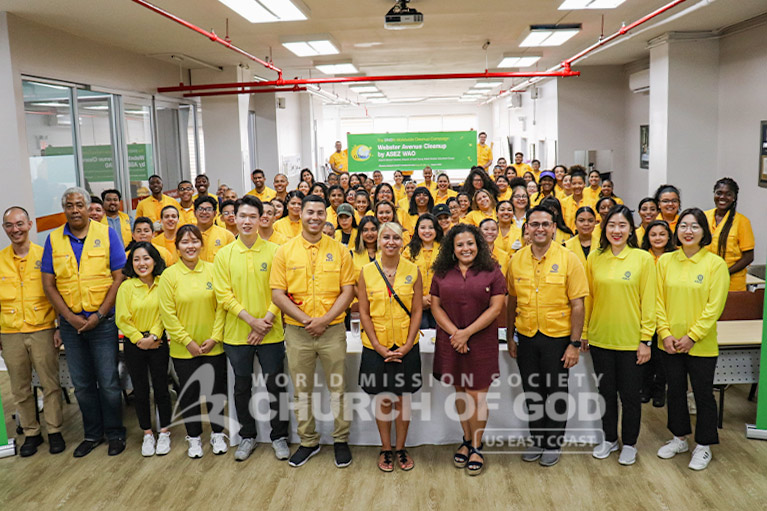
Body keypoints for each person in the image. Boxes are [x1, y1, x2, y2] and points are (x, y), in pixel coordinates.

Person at [270, 194, 356, 468]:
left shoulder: (341, 250)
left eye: (321, 212)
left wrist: (326, 319)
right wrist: (308, 320)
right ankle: (308, 441)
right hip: (298, 332)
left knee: (338, 389)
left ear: (326, 216)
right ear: (300, 214)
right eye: (310, 212)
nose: (315, 217)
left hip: (332, 330)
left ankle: (340, 440)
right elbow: (277, 294)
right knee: (302, 391)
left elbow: (348, 290)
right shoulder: (285, 251)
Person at [41, 187, 127, 457]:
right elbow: (48, 284)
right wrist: (69, 318)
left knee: (109, 381)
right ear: (64, 209)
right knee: (83, 383)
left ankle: (115, 433)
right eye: (69, 205)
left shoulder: (106, 233)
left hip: (103, 321)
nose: (75, 209)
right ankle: (92, 434)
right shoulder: (54, 239)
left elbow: (119, 277)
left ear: (90, 208)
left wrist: (100, 314)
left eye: (80, 204)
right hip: (71, 324)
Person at [506, 205, 588, 467]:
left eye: (545, 224)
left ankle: (553, 442)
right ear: (527, 228)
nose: (539, 229)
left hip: (557, 339)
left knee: (555, 392)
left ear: (554, 227)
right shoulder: (516, 260)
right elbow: (512, 301)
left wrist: (574, 344)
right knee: (532, 391)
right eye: (534, 224)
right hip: (527, 336)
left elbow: (578, 305)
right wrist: (510, 336)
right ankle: (537, 439)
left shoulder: (569, 259)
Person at [213, 196, 290, 462]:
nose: (246, 221)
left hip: (272, 331)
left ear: (262, 219)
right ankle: (247, 435)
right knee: (241, 386)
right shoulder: (223, 255)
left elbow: (280, 291)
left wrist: (264, 321)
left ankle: (279, 436)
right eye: (241, 216)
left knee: (275, 385)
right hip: (237, 333)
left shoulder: (276, 251)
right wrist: (251, 321)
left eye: (252, 217)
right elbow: (223, 296)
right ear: (233, 218)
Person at [655, 208, 729, 471]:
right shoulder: (665, 262)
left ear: (704, 232)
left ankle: (704, 445)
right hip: (669, 343)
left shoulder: (715, 265)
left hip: (702, 344)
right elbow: (657, 301)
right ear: (677, 231)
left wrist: (692, 336)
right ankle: (679, 438)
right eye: (684, 226)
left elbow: (714, 307)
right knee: (674, 392)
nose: (688, 231)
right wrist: (664, 333)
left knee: (702, 394)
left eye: (695, 226)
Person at [431, 224, 506, 475]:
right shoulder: (441, 272)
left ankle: (477, 446)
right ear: (452, 249)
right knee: (461, 393)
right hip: (452, 342)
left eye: (470, 243)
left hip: (481, 342)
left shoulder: (492, 271)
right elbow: (436, 306)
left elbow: (496, 308)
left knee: (477, 396)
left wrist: (466, 333)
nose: (466, 248)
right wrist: (456, 333)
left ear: (479, 245)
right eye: (460, 244)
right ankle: (466, 439)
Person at [584, 205, 656, 466]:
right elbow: (589, 298)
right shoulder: (595, 257)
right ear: (604, 228)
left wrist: (645, 339)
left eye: (622, 225)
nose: (617, 230)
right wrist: (584, 332)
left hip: (631, 341)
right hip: (601, 338)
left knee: (630, 396)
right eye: (612, 225)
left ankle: (630, 443)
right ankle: (609, 438)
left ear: (631, 229)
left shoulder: (643, 259)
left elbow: (650, 302)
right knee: (606, 393)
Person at [358, 222, 423, 472]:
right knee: (384, 399)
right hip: (377, 346)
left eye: (396, 237)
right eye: (386, 237)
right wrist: (376, 345)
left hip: (406, 345)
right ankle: (386, 449)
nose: (391, 242)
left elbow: (417, 309)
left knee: (402, 399)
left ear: (403, 241)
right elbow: (364, 311)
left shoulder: (413, 270)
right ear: (377, 240)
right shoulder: (366, 271)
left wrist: (408, 344)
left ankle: (401, 448)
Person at [158, 224, 227, 458]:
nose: (190, 246)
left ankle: (218, 433)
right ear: (177, 247)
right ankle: (194, 437)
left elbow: (221, 308)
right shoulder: (169, 275)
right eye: (185, 242)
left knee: (215, 392)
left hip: (213, 345)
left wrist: (215, 337)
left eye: (194, 241)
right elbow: (168, 314)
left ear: (201, 244)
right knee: (190, 394)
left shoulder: (212, 270)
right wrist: (187, 341)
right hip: (183, 349)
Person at [0, 206, 63, 457]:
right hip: (10, 332)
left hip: (43, 329)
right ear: (5, 229)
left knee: (51, 384)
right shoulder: (1, 259)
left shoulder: (45, 256)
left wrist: (59, 327)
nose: (15, 229)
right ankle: (31, 433)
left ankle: (55, 430)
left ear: (29, 225)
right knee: (20, 388)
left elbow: (57, 293)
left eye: (19, 224)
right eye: (9, 225)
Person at [115, 242, 172, 457]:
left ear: (155, 260)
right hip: (135, 344)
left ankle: (164, 431)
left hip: (158, 343)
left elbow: (166, 312)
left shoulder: (163, 283)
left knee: (161, 389)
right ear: (131, 263)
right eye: (137, 259)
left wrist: (155, 336)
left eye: (146, 258)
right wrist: (140, 339)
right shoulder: (126, 287)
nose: (142, 263)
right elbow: (122, 318)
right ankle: (148, 433)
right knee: (140, 391)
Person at [640, 219, 675, 407]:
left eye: (662, 234)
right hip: (644, 312)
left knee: (662, 355)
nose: (658, 238)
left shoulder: (675, 257)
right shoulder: (641, 256)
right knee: (646, 353)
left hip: (666, 312)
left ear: (669, 236)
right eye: (653, 234)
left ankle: (660, 390)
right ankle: (645, 388)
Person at [705, 177, 754, 291]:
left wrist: (725, 272)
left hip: (732, 282)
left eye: (728, 194)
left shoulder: (742, 221)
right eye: (719, 193)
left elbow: (749, 257)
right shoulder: (704, 217)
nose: (722, 197)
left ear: (734, 198)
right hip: (706, 278)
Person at [403, 214, 443, 330]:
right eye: (423, 227)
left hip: (440, 302)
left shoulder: (444, 249)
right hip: (415, 302)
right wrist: (420, 299)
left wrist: (433, 297)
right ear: (417, 230)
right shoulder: (409, 251)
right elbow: (403, 278)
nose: (427, 231)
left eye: (431, 227)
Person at [194, 196, 235, 262]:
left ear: (215, 213)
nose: (204, 212)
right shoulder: (188, 235)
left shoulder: (227, 236)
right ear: (194, 213)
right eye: (200, 209)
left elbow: (233, 261)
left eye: (209, 209)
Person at [561, 169, 595, 233]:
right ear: (570, 185)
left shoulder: (593, 202)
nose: (577, 186)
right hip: (568, 238)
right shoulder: (563, 203)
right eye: (574, 183)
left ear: (584, 184)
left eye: (580, 183)